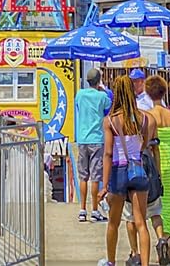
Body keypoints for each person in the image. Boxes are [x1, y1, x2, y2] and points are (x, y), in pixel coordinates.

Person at [102, 73, 154, 266]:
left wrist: (105, 184)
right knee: (141, 223)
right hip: (138, 170)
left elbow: (108, 154)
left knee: (113, 223)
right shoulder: (144, 119)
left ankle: (111, 261)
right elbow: (144, 145)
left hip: (118, 171)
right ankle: (146, 263)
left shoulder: (110, 121)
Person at [143, 76, 170, 263]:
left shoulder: (149, 115)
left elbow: (150, 144)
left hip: (157, 165)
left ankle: (163, 239)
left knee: (156, 208)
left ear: (148, 93)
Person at [73, 68, 110, 223]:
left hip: (82, 138)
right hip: (97, 138)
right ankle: (94, 210)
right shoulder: (102, 96)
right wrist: (104, 88)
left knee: (83, 177)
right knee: (95, 178)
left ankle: (82, 210)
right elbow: (108, 107)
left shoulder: (79, 94)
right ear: (99, 80)